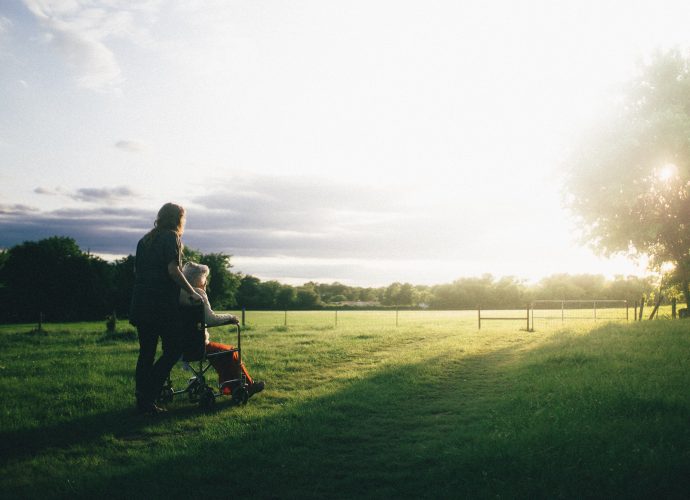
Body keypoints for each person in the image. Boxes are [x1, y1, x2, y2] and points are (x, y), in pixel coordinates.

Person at [129, 203, 202, 415]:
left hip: (141, 303)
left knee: (147, 353)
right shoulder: (171, 237)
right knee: (174, 349)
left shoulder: (145, 240)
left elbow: (137, 271)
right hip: (160, 305)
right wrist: (191, 291)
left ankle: (143, 400)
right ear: (178, 219)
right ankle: (149, 394)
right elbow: (173, 270)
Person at [179, 262, 265, 398]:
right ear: (198, 279)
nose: (206, 280)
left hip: (179, 346)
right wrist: (230, 317)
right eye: (204, 277)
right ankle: (247, 385)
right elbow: (211, 319)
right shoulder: (198, 293)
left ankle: (231, 386)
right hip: (197, 346)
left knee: (221, 353)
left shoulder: (177, 293)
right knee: (230, 351)